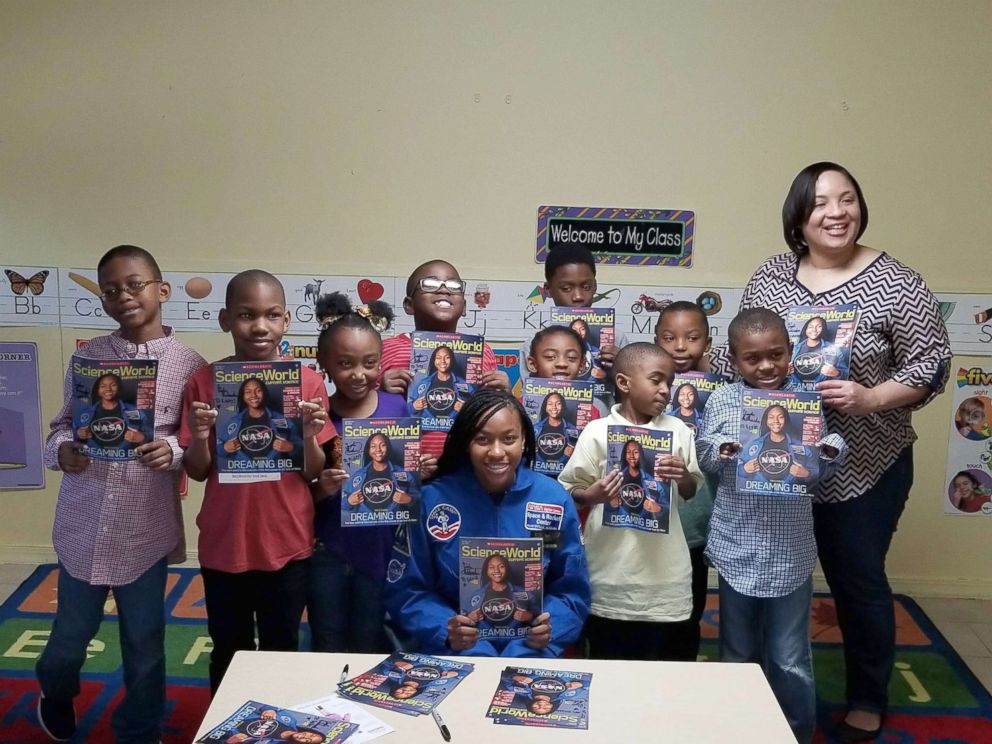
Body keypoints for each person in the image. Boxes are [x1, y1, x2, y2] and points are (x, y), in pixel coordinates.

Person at [713, 162, 951, 740]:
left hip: (862, 465)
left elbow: (932, 364)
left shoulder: (896, 280)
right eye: (821, 202)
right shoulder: (771, 274)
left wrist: (870, 397)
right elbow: (736, 354)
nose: (837, 212)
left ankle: (867, 695)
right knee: (767, 575)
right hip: (774, 470)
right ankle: (756, 689)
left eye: (848, 199)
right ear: (799, 215)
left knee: (857, 580)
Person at [36, 245, 207, 743]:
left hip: (144, 529)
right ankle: (55, 689)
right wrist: (64, 450)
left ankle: (141, 726)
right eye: (111, 290)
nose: (124, 296)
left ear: (162, 290)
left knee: (145, 642)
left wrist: (173, 448)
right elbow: (60, 427)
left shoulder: (190, 365)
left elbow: (193, 436)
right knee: (71, 635)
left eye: (135, 284)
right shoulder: (87, 358)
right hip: (82, 523)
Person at [180, 270, 334, 693]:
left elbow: (312, 472)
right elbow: (196, 470)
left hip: (286, 540)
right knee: (228, 648)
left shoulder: (306, 382)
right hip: (224, 541)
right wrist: (196, 435)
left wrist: (305, 435)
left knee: (281, 647)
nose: (259, 326)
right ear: (225, 319)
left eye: (270, 315)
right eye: (246, 315)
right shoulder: (204, 381)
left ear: (286, 320)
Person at [699, 308, 846, 744]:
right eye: (752, 358)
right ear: (733, 358)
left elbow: (824, 458)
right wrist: (723, 449)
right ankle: (734, 728)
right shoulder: (724, 400)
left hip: (790, 549)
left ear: (791, 351)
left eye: (776, 354)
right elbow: (705, 454)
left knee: (789, 657)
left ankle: (795, 733)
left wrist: (829, 453)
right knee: (736, 650)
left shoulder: (807, 399)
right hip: (736, 544)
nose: (766, 366)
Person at [384, 389, 590, 657]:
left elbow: (571, 589)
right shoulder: (431, 501)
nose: (496, 452)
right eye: (482, 439)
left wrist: (552, 627)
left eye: (509, 439)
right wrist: (444, 629)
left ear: (525, 440)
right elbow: (407, 588)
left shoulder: (552, 500)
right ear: (466, 442)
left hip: (531, 656)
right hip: (455, 656)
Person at [558, 343, 703, 661]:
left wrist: (682, 475)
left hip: (666, 580)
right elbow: (569, 491)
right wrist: (593, 495)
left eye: (670, 382)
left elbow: (691, 491)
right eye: (656, 379)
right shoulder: (597, 431)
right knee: (610, 668)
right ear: (624, 383)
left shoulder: (678, 430)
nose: (665, 390)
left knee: (665, 671)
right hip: (610, 577)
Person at [307, 291, 408, 653]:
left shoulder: (398, 408)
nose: (359, 374)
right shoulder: (318, 415)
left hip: (380, 547)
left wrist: (417, 473)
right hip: (328, 548)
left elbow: (406, 484)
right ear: (324, 362)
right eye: (346, 363)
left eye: (369, 363)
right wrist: (322, 489)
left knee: (370, 635)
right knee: (327, 635)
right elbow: (300, 490)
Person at [378, 259, 510, 459]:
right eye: (430, 284)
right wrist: (382, 392)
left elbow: (492, 415)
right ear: (409, 305)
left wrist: (503, 395)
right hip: (404, 467)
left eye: (454, 286)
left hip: (465, 467)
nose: (444, 290)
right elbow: (364, 408)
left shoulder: (482, 352)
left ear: (464, 306)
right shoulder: (388, 349)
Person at [655, 299, 723, 660]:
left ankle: (683, 669)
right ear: (655, 340)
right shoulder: (645, 387)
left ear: (708, 343)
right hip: (650, 520)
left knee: (690, 610)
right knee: (650, 606)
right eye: (669, 337)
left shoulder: (723, 391)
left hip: (696, 521)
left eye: (692, 338)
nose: (681, 346)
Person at [517, 245, 621, 385]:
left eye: (586, 287)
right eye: (566, 288)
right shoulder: (533, 346)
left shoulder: (617, 340)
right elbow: (531, 401)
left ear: (595, 286)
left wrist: (623, 367)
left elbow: (631, 399)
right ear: (548, 289)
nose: (578, 296)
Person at [740, 403, 813, 485]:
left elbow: (815, 471)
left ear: (786, 420)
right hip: (760, 494)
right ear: (766, 421)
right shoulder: (755, 444)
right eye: (771, 417)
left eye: (780, 417)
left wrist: (807, 474)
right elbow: (738, 468)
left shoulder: (800, 446)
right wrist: (744, 469)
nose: (776, 421)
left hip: (788, 495)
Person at [222, 377, 294, 459]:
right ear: (243, 396)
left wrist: (291, 447)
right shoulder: (234, 421)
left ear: (264, 393)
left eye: (258, 391)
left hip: (276, 470)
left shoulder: (281, 419)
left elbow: (300, 446)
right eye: (248, 392)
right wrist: (224, 448)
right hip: (243, 470)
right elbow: (218, 448)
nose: (253, 395)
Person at [74, 372, 148, 451]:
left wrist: (142, 437)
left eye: (113, 385)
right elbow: (70, 432)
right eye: (103, 386)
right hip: (93, 459)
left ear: (119, 387)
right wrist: (78, 433)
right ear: (97, 390)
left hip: (125, 457)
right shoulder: (85, 413)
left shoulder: (133, 411)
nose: (108, 389)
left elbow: (150, 434)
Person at [465, 552, 535, 632]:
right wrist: (469, 617)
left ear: (507, 569)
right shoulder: (477, 594)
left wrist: (529, 616)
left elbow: (537, 614)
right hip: (485, 639)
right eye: (491, 567)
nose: (497, 570)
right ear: (486, 571)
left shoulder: (523, 593)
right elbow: (463, 617)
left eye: (501, 566)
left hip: (515, 638)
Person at [409, 345, 468, 418]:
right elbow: (408, 408)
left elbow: (476, 408)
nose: (442, 361)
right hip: (428, 428)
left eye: (447, 357)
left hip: (455, 428)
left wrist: (465, 409)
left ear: (452, 360)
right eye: (438, 358)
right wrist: (414, 406)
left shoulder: (463, 384)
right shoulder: (424, 383)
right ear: (434, 361)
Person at [790, 315, 841, 387]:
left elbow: (845, 372)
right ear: (806, 329)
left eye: (818, 326)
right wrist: (784, 372)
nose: (814, 329)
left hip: (822, 391)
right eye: (810, 327)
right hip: (796, 390)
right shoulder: (794, 348)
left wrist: (837, 373)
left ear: (823, 329)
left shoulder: (833, 348)